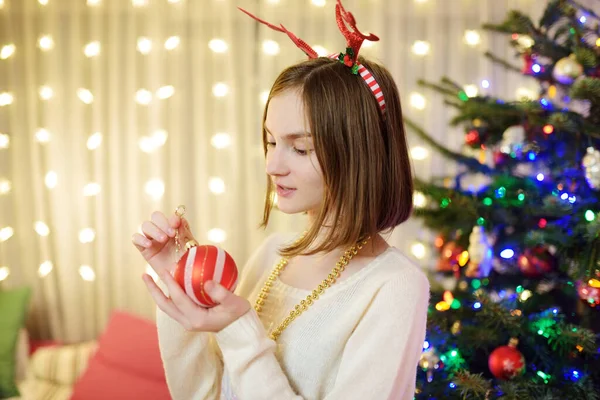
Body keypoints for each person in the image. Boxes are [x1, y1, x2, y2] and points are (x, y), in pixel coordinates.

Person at [131, 1, 430, 399]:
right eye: (271, 141)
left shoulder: (394, 287)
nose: (272, 165)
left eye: (300, 148)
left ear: (358, 153)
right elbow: (206, 394)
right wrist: (182, 281)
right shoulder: (273, 254)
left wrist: (239, 328)